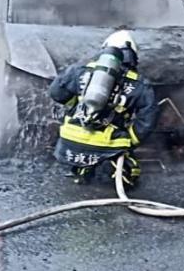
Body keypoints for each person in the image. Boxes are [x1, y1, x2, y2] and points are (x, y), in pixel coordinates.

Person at [49, 29, 159, 186]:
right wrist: (131, 140)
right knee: (132, 171)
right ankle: (116, 169)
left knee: (84, 154)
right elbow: (149, 117)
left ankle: (82, 167)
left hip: (67, 144)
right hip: (108, 147)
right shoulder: (139, 84)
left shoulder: (79, 71)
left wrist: (75, 104)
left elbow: (55, 93)